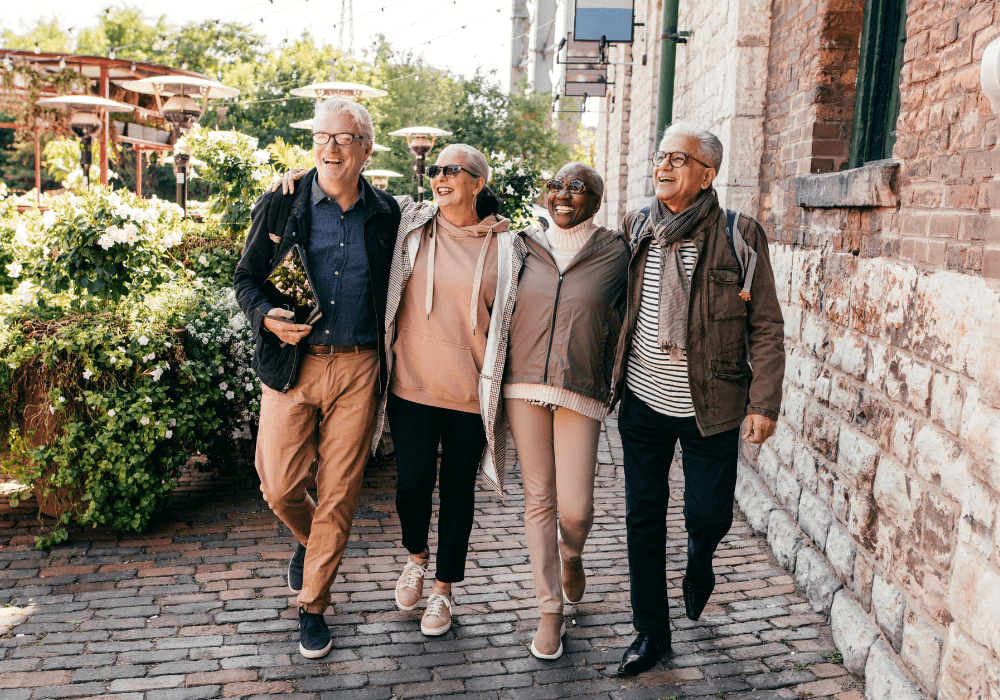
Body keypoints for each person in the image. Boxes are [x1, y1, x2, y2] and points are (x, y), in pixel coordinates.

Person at [276, 143, 513, 638]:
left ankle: (444, 590)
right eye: (437, 170)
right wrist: (308, 173)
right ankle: (416, 560)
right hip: (410, 388)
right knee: (410, 488)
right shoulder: (409, 223)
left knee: (457, 497)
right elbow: (352, 189)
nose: (441, 177)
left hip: (469, 394)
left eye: (454, 170)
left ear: (478, 183)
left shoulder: (509, 248)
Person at [610, 122, 785, 676]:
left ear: (708, 173)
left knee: (708, 513)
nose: (662, 166)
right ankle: (649, 633)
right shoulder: (637, 226)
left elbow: (767, 325)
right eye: (660, 155)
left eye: (678, 159)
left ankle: (700, 555)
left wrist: (765, 402)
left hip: (712, 405)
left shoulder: (740, 233)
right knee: (643, 515)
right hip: (643, 399)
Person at [233, 97, 400, 660]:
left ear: (366, 150)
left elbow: (451, 223)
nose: (331, 146)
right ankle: (311, 543)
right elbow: (245, 279)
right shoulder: (282, 204)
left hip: (359, 365)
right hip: (292, 365)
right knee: (278, 485)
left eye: (344, 138)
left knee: (339, 493)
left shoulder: (388, 215)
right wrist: (266, 318)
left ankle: (313, 606)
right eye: (323, 136)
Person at [480, 163, 628, 660]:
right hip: (522, 384)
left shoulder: (617, 251)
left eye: (577, 188)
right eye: (556, 186)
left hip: (581, 389)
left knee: (576, 509)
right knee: (538, 500)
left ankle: (572, 553)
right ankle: (549, 611)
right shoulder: (521, 245)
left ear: (597, 200)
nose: (563, 195)